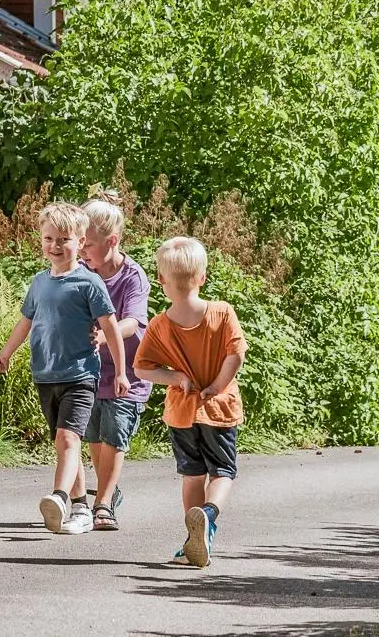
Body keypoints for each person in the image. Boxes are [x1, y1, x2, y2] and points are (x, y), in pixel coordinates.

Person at [0, 202, 128, 535]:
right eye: (49, 238)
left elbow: (110, 328)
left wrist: (121, 372)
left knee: (68, 437)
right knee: (65, 443)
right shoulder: (39, 283)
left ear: (81, 242)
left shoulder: (89, 283)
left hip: (80, 374)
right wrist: (4, 355)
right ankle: (80, 508)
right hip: (45, 375)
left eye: (64, 239)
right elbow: (25, 323)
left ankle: (60, 497)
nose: (55, 246)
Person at [134, 237, 246, 567]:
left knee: (192, 475)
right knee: (223, 471)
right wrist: (217, 386)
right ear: (202, 277)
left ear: (162, 281)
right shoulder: (222, 313)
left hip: (182, 412)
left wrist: (177, 378)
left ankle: (190, 543)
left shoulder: (160, 325)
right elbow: (236, 355)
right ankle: (208, 516)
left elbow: (142, 368)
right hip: (219, 409)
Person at [79, 198, 151, 531]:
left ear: (112, 241)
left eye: (88, 245)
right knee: (95, 438)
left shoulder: (132, 276)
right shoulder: (83, 272)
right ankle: (108, 492)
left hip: (128, 373)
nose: (83, 251)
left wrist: (105, 335)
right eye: (80, 244)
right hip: (91, 370)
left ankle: (104, 503)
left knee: (114, 438)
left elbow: (133, 323)